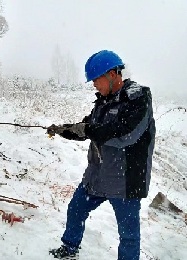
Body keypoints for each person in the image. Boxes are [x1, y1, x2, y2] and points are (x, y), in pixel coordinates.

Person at [47, 50, 155, 260]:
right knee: (76, 210)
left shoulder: (138, 98)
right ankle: (69, 249)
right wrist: (64, 129)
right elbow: (89, 127)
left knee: (128, 235)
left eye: (96, 80)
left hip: (125, 181)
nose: (94, 85)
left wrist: (87, 130)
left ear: (112, 74)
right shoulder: (103, 101)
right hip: (98, 176)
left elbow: (126, 134)